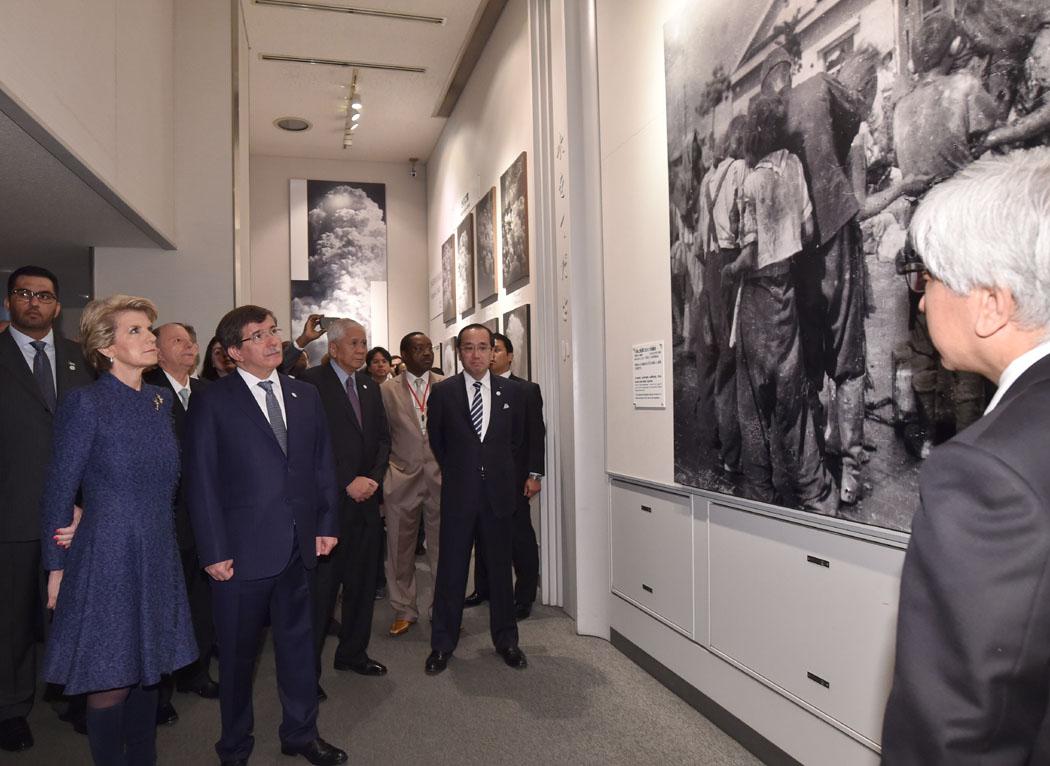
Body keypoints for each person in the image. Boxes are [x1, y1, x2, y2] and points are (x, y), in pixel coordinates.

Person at [881, 148, 1050, 762]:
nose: (920, 302)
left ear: (991, 305)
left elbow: (954, 735)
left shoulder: (988, 474)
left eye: (929, 279)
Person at [184, 306, 346, 766]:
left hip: (299, 549)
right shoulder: (213, 400)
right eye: (259, 335)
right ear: (234, 351)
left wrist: (327, 524)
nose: (274, 340)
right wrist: (213, 550)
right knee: (236, 661)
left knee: (299, 650)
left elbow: (321, 465)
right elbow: (203, 480)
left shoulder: (304, 394)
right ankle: (234, 747)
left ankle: (301, 734)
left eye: (274, 331)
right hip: (239, 555)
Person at [40, 294, 197, 765]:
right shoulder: (85, 404)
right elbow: (58, 489)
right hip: (107, 553)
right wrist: (56, 568)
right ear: (106, 348)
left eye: (150, 330)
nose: (150, 338)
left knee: (149, 672)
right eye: (137, 331)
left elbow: (164, 479)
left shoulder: (159, 399)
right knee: (109, 677)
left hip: (156, 548)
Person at [762, 44, 868, 505]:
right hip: (834, 222)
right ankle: (852, 469)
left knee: (808, 353)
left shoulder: (765, 122)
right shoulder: (820, 86)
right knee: (847, 353)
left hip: (794, 247)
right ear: (791, 69)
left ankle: (825, 455)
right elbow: (853, 120)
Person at [725, 94, 835, 513]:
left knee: (752, 404)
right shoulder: (794, 165)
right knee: (794, 400)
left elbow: (750, 254)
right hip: (786, 295)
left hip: (756, 298)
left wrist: (731, 270)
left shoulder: (751, 182)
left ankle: (760, 493)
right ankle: (816, 493)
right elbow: (807, 231)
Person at [0, 266, 93, 752]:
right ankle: (11, 708)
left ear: (58, 306)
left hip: (73, 515)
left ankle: (67, 695)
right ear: (10, 301)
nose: (34, 302)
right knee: (12, 618)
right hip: (11, 512)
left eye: (44, 296)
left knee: (70, 612)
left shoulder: (82, 360)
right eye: (24, 294)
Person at [425, 323, 533, 675]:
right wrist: (463, 472)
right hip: (459, 495)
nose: (476, 354)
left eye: (483, 347)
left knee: (500, 572)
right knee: (451, 571)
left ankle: (507, 641)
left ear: (493, 351)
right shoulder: (443, 393)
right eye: (469, 347)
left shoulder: (513, 394)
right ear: (459, 352)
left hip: (498, 497)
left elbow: (516, 444)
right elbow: (438, 443)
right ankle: (442, 644)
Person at [298, 320, 390, 697]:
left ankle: (353, 653)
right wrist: (346, 481)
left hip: (367, 506)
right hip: (328, 508)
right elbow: (308, 445)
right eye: (354, 342)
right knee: (321, 595)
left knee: (363, 585)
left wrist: (373, 478)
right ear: (333, 348)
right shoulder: (310, 385)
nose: (361, 348)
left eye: (364, 342)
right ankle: (308, 673)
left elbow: (383, 439)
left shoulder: (369, 385)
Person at [143, 323, 219, 722]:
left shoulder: (209, 391)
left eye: (192, 341)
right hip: (165, 518)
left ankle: (197, 672)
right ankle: (158, 693)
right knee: (164, 606)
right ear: (157, 350)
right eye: (179, 341)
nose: (190, 346)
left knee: (202, 601)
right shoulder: (145, 391)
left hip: (205, 517)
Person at [465, 332, 545, 620]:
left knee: (519, 538)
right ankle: (482, 588)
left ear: (510, 356)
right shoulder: (474, 388)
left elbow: (537, 436)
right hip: (479, 479)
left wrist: (534, 475)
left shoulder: (526, 390)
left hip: (513, 479)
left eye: (497, 350)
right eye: (490, 349)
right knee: (481, 536)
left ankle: (523, 597)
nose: (492, 355)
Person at [693, 115, 748, 476]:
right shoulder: (742, 170)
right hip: (730, 266)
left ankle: (711, 436)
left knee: (711, 358)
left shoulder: (708, 182)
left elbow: (698, 244)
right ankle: (733, 452)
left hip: (711, 268)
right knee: (731, 361)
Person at [379, 332, 443, 636]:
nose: (426, 354)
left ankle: (442, 607)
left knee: (444, 547)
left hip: (441, 477)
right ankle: (404, 608)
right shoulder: (386, 390)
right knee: (400, 549)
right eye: (418, 349)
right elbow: (381, 437)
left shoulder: (446, 386)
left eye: (428, 348)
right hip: (401, 476)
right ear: (403, 354)